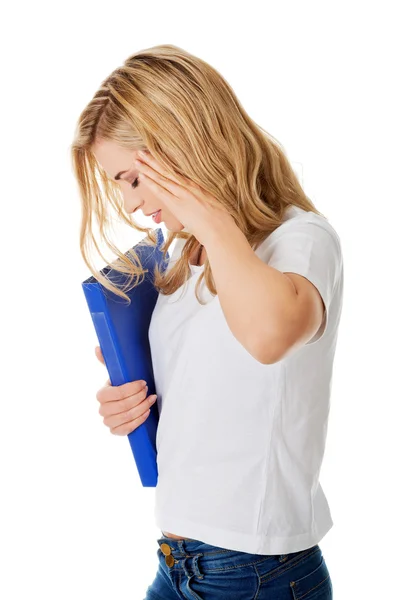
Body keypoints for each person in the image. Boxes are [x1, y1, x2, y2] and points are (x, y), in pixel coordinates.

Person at [71, 44, 342, 599]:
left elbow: (267, 337)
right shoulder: (183, 255)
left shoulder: (299, 240)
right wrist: (133, 401)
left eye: (135, 178)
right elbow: (217, 393)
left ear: (183, 147)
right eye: (119, 183)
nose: (129, 202)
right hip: (179, 561)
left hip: (256, 572)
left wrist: (209, 213)